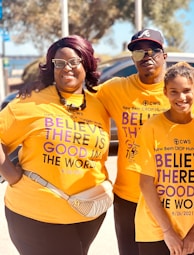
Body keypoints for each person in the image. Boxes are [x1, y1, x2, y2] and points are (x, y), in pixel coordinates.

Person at [93, 28, 194, 255]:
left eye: (153, 51)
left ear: (164, 55)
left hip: (175, 200)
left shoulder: (192, 91)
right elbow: (78, 98)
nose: (146, 56)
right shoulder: (115, 89)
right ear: (133, 59)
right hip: (129, 196)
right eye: (138, 53)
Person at [0, 35, 111, 255]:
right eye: (59, 63)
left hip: (88, 212)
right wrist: (11, 174)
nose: (66, 68)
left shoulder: (100, 104)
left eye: (73, 62)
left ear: (86, 64)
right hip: (37, 214)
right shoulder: (30, 102)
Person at [131, 62, 194, 255]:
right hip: (155, 230)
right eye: (174, 91)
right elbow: (145, 183)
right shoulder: (152, 127)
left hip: (188, 231)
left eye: (186, 91)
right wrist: (167, 230)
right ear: (165, 92)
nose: (181, 97)